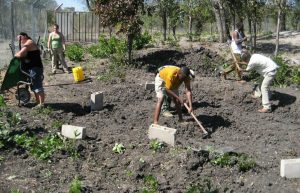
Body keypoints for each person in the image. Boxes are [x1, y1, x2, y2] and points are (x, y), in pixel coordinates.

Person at [15, 32, 45, 108]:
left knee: (37, 85)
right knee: (34, 85)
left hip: (36, 68)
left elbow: (20, 54)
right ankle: (38, 102)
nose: (20, 40)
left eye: (20, 38)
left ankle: (42, 104)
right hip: (33, 68)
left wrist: (16, 54)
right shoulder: (28, 43)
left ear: (25, 36)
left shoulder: (29, 42)